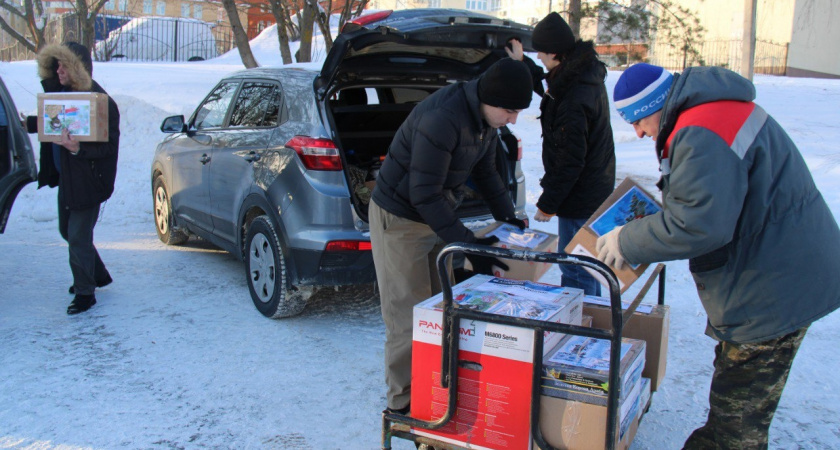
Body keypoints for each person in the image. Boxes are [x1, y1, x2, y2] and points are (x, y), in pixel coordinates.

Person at [598, 62, 840, 448]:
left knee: (735, 426)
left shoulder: (700, 131)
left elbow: (698, 224)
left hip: (773, 287)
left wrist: (628, 240)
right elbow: (714, 204)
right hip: (780, 269)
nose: (639, 132)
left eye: (640, 119)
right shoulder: (712, 111)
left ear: (659, 104)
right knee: (736, 405)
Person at [370, 58, 532, 415]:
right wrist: (467, 242)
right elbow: (422, 193)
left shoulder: (483, 119)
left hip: (435, 212)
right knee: (408, 315)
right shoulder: (443, 118)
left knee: (442, 308)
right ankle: (404, 405)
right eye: (509, 110)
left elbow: (487, 170)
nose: (513, 119)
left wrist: (508, 215)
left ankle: (435, 389)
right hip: (399, 219)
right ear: (489, 98)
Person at [505, 12, 615, 296]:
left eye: (541, 54)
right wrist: (524, 63)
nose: (539, 58)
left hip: (581, 197)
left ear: (555, 53)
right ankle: (588, 318)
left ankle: (581, 327)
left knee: (577, 269)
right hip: (591, 190)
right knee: (586, 267)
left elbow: (571, 160)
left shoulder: (575, 97)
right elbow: (549, 89)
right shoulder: (579, 75)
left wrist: (548, 204)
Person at [31, 42, 120, 315]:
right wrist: (27, 124)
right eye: (55, 65)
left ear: (77, 68)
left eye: (63, 65)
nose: (58, 70)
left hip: (89, 180)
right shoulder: (63, 96)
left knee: (78, 237)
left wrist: (78, 149)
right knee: (66, 231)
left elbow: (108, 147)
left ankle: (85, 293)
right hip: (68, 178)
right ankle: (98, 275)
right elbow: (53, 122)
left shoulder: (101, 103)